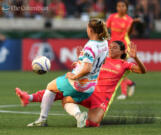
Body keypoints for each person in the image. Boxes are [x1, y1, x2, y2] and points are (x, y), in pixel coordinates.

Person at [16, 41, 146, 127]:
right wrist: (80, 60)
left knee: (92, 124)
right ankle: (29, 98)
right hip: (88, 92)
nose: (111, 49)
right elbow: (85, 68)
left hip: (101, 100)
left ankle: (30, 98)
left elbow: (142, 71)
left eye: (115, 47)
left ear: (123, 52)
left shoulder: (124, 65)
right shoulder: (101, 59)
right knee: (64, 94)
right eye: (110, 46)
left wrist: (135, 57)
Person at [17, 18, 109, 127]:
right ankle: (79, 117)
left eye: (87, 28)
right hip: (90, 86)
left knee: (50, 87)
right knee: (66, 101)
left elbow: (87, 69)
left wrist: (75, 76)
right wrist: (80, 61)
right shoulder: (105, 43)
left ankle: (42, 120)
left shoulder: (91, 46)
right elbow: (98, 63)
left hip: (78, 83)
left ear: (91, 30)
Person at [106, 0, 141, 100]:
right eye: (119, 6)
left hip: (123, 47)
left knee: (119, 70)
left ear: (126, 8)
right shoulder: (112, 17)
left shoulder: (129, 19)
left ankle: (124, 93)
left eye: (123, 6)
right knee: (114, 71)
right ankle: (130, 83)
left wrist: (133, 23)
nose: (120, 8)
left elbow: (128, 33)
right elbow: (106, 27)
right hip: (113, 47)